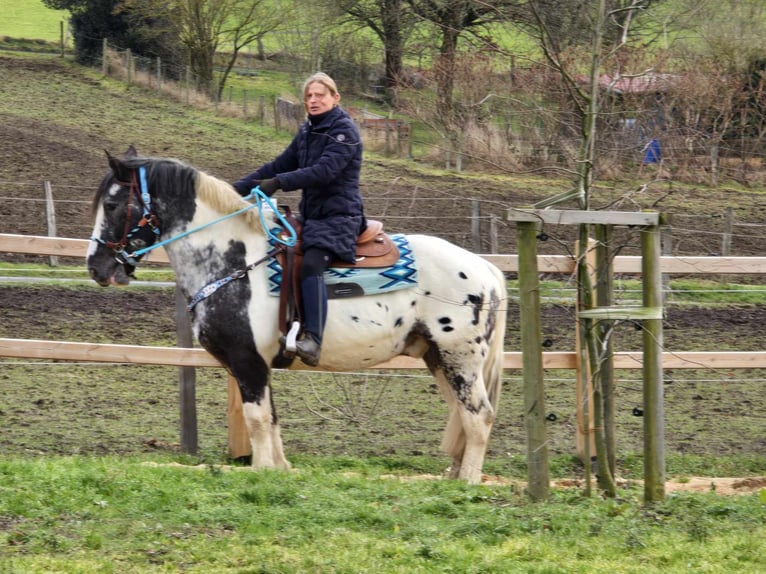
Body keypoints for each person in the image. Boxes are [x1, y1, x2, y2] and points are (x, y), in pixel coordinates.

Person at [233, 72, 365, 366]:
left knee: (312, 263)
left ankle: (313, 340)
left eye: (320, 95)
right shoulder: (308, 132)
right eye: (309, 96)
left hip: (340, 216)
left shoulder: (344, 132)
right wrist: (236, 189)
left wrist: (278, 182)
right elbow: (279, 164)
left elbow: (323, 172)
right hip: (313, 216)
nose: (313, 100)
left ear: (335, 98)